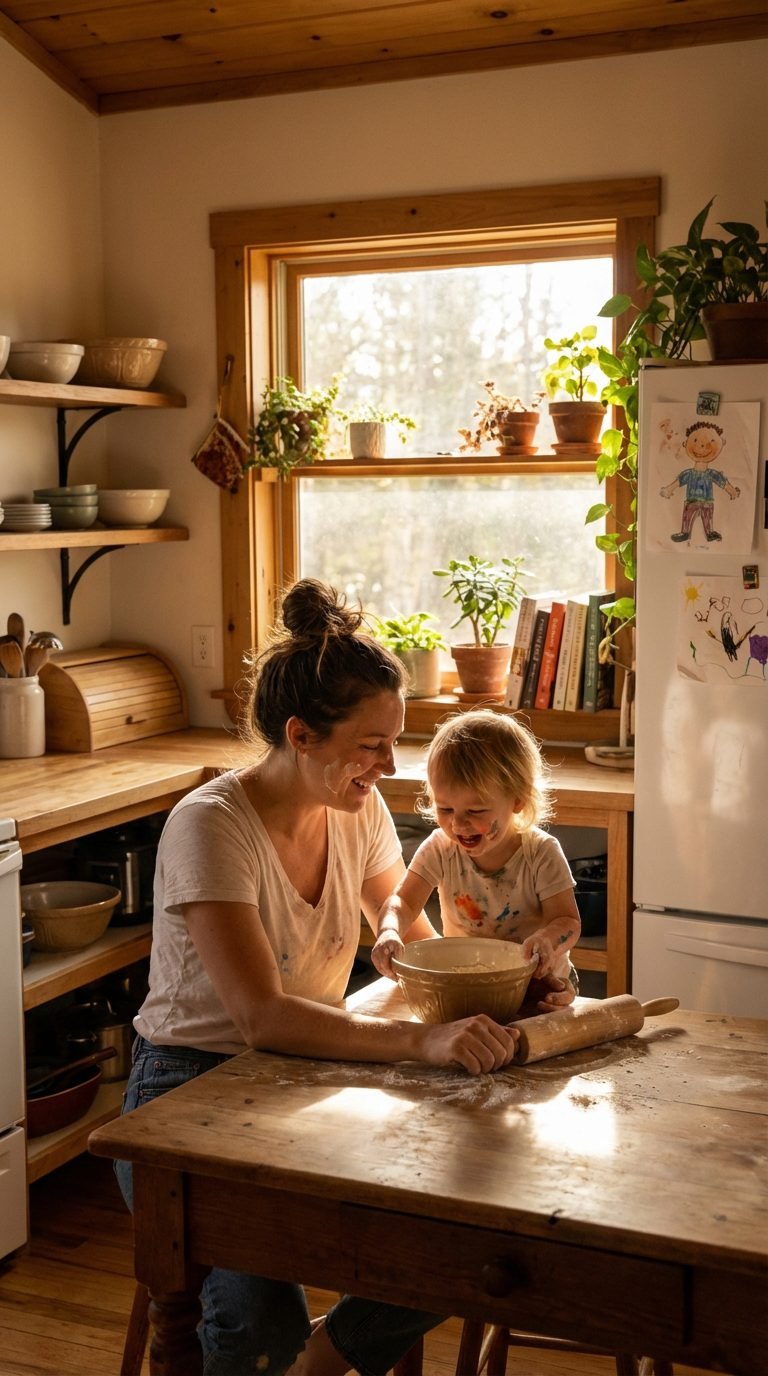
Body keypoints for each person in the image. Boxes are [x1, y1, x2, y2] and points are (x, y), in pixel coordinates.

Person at [114, 579, 533, 1376]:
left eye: (394, 740)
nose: (391, 764)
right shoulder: (211, 826)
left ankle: (325, 1360)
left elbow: (413, 940)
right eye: (372, 745)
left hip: (304, 1074)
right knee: (255, 1323)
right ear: (302, 735)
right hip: (184, 1094)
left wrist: (500, 984)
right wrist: (423, 1040)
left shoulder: (360, 808)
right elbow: (262, 1019)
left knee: (463, 1240)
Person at [372, 709, 581, 1010]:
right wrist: (390, 930)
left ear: (517, 799)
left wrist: (547, 940)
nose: (458, 824)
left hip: (539, 985)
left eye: (475, 812)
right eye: (445, 809)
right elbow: (402, 902)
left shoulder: (541, 854)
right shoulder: (440, 849)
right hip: (466, 985)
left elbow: (568, 921)